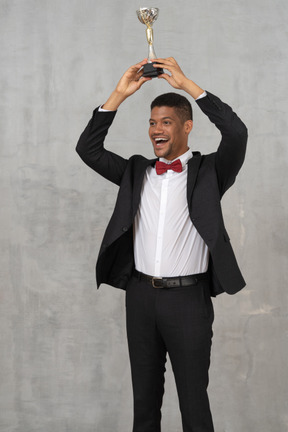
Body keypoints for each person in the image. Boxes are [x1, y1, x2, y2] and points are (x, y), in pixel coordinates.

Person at [76, 57, 248, 432]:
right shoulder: (135, 172)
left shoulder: (210, 172)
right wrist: (118, 96)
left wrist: (188, 85)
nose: (156, 129)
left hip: (188, 301)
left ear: (187, 127)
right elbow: (87, 149)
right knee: (144, 408)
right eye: (152, 123)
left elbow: (236, 133)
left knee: (194, 408)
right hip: (139, 298)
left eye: (166, 122)